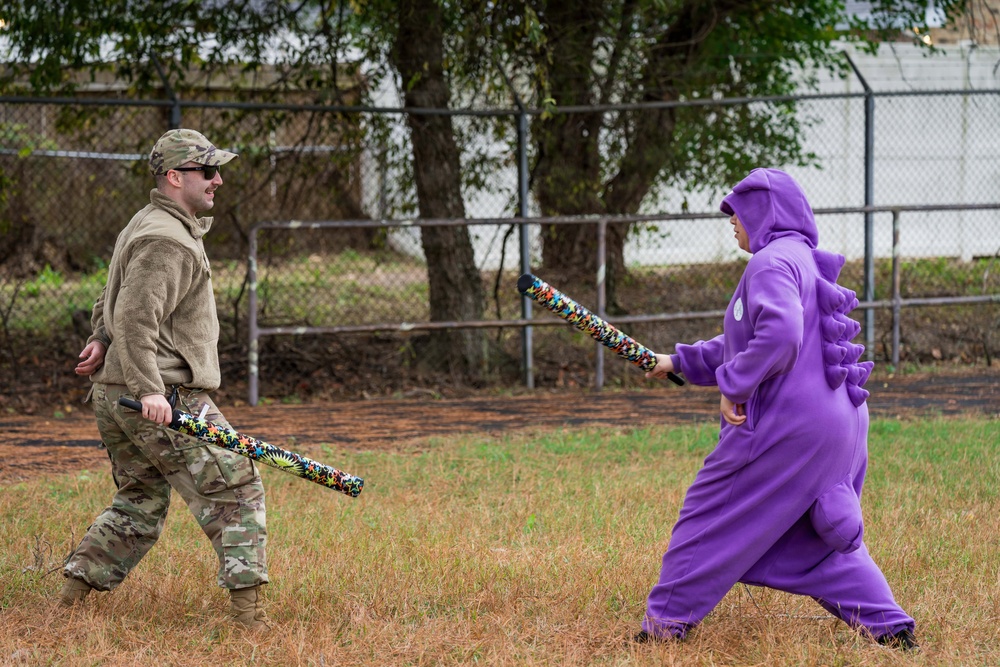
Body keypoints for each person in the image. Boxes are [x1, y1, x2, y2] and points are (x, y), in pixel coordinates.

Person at [635, 168, 917, 650]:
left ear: (765, 213)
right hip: (841, 420)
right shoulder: (799, 258)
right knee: (813, 534)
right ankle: (889, 626)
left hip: (788, 427)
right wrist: (679, 361)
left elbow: (781, 335)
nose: (731, 221)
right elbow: (747, 338)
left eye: (738, 212)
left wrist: (735, 385)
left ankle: (663, 628)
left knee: (709, 514)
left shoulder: (767, 264)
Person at [61, 129, 270, 631]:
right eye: (207, 171)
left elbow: (113, 295)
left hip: (118, 392)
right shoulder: (166, 238)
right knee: (237, 489)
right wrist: (151, 389)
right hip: (162, 395)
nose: (217, 180)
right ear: (176, 177)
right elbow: (135, 317)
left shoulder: (150, 222)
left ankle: (66, 606)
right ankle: (250, 621)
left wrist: (101, 339)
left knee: (139, 499)